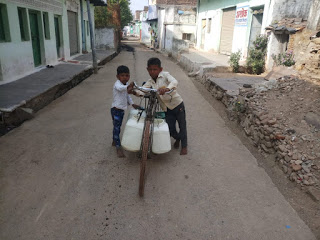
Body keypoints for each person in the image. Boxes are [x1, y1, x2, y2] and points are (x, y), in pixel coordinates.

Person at [132, 58, 188, 155]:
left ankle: (184, 146)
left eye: (155, 69)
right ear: (147, 69)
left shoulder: (165, 75)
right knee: (170, 128)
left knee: (182, 125)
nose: (152, 72)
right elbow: (143, 90)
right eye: (150, 69)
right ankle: (178, 138)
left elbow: (174, 82)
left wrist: (167, 89)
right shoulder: (150, 82)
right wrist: (134, 92)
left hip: (177, 104)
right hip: (166, 108)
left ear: (160, 69)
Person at [111, 65, 139, 158]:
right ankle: (118, 147)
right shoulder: (117, 84)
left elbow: (127, 96)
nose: (125, 77)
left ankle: (114, 140)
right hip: (115, 110)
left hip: (121, 110)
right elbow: (121, 89)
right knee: (117, 128)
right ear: (117, 76)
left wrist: (133, 104)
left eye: (127, 75)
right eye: (122, 75)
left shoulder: (124, 85)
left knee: (116, 126)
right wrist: (129, 85)